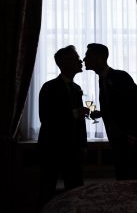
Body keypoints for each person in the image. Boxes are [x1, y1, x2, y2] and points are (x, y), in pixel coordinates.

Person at [83, 43, 137, 180]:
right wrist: (101, 113)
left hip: (129, 139)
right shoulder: (102, 80)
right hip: (117, 140)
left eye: (88, 55)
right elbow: (119, 107)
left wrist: (130, 135)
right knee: (122, 177)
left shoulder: (120, 77)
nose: (84, 59)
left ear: (99, 57)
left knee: (129, 179)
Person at [37, 45, 89, 209]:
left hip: (73, 149)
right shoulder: (49, 87)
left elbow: (80, 122)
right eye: (76, 58)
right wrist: (74, 113)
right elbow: (46, 118)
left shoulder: (76, 88)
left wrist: (83, 145)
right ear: (64, 63)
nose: (80, 61)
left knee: (75, 191)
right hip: (52, 148)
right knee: (47, 190)